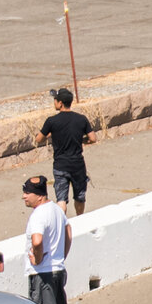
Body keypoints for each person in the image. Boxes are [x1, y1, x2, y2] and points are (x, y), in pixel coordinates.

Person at [21, 175, 70, 304]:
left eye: (28, 193)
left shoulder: (38, 215)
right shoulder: (56, 209)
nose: (24, 196)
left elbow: (37, 241)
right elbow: (68, 232)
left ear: (40, 196)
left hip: (43, 274)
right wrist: (61, 256)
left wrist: (37, 258)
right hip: (57, 269)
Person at [40, 86, 92, 215]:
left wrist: (52, 134)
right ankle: (80, 219)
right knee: (79, 196)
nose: (54, 103)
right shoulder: (81, 119)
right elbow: (93, 138)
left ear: (60, 103)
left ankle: (62, 224)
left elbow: (38, 139)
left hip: (60, 165)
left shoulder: (52, 121)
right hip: (78, 165)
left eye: (55, 100)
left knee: (61, 199)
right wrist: (82, 141)